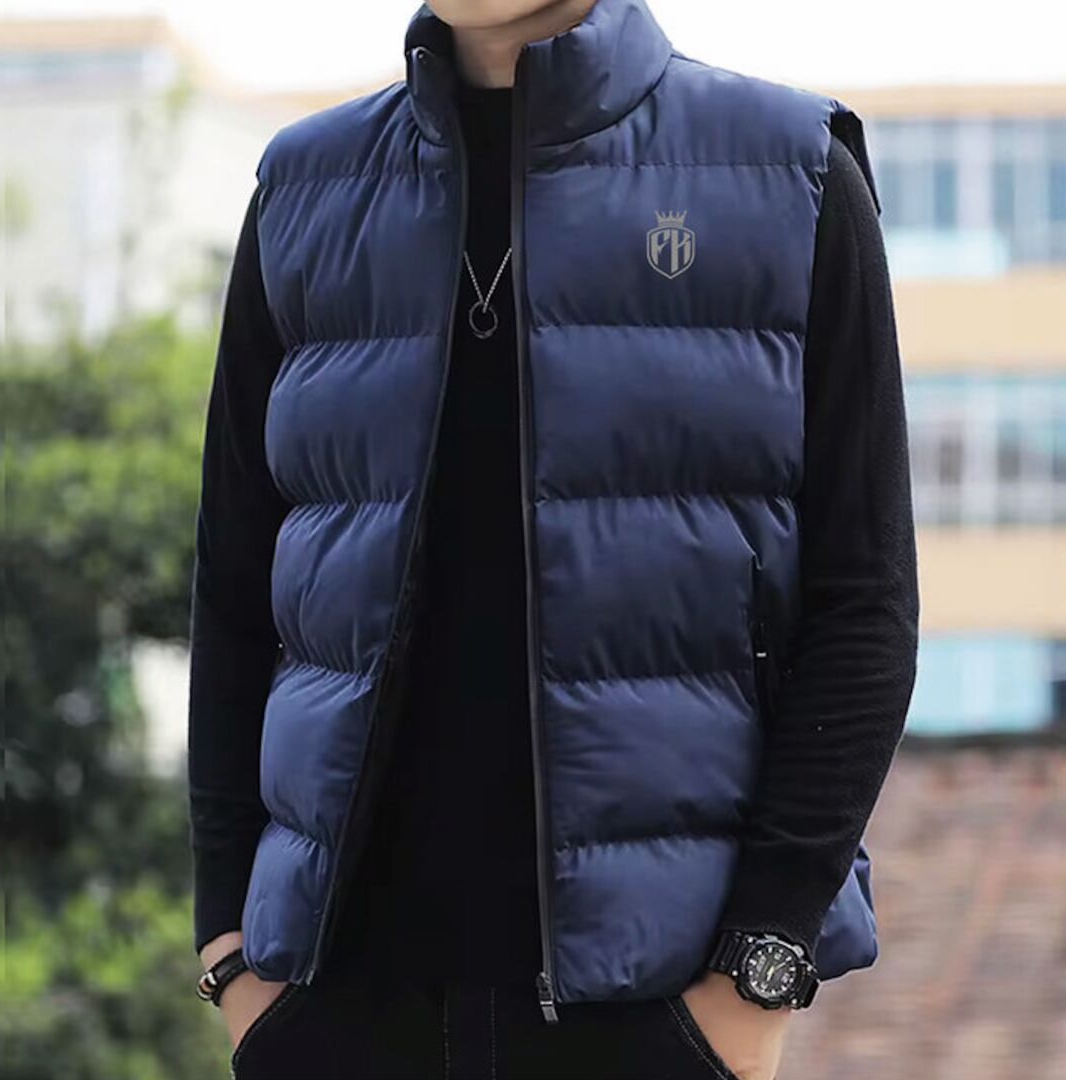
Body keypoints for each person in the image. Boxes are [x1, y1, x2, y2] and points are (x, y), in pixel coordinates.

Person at [186, 0, 920, 1077]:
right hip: (334, 1008)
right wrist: (230, 952)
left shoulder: (789, 171)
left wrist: (755, 973)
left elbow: (867, 606)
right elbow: (235, 592)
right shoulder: (304, 189)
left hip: (651, 1016)